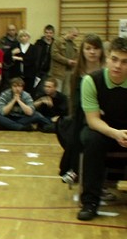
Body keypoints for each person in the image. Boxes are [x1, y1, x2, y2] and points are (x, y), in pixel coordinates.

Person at [76, 37, 127, 221]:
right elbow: (93, 120)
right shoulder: (91, 81)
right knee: (92, 141)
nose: (118, 65)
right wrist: (116, 134)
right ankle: (90, 202)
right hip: (102, 130)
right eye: (114, 59)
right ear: (107, 58)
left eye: (124, 62)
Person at [57, 34, 106, 185]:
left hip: (103, 114)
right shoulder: (76, 74)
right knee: (73, 127)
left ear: (101, 51)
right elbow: (75, 100)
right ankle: (74, 169)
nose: (92, 52)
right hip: (82, 114)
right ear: (82, 51)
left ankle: (77, 170)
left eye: (96, 48)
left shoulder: (106, 71)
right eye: (88, 48)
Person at [25, 25, 55, 96]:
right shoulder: (39, 43)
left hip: (50, 70)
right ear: (44, 33)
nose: (48, 35)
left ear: (53, 34)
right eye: (47, 33)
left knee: (47, 88)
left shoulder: (55, 44)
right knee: (37, 88)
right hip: (38, 70)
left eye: (50, 33)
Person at [51, 27, 79, 93]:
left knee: (66, 93)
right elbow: (54, 54)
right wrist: (67, 61)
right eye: (74, 35)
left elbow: (76, 56)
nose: (75, 37)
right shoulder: (58, 41)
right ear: (69, 32)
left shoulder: (74, 45)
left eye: (76, 36)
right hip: (58, 72)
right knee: (57, 92)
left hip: (69, 72)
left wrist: (75, 61)